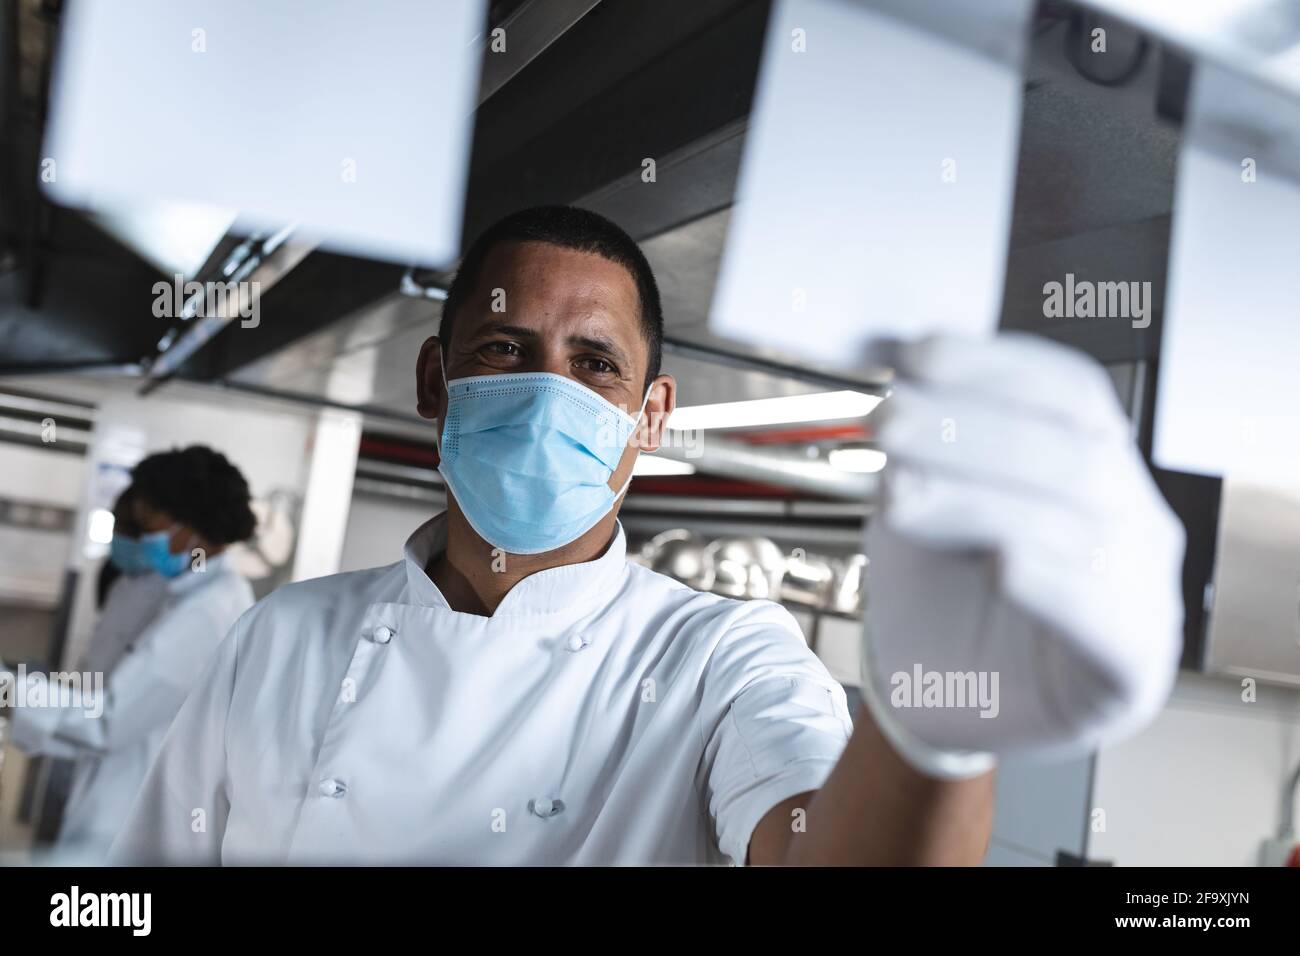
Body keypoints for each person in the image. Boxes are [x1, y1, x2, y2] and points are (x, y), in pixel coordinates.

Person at [110, 206, 1183, 866]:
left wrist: (937, 729)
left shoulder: (722, 659)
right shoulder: (280, 638)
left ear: (650, 414)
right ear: (436, 381)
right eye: (503, 347)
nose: (545, 391)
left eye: (594, 364)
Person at [5, 446, 257, 862]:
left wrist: (10, 690)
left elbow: (109, 720)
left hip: (135, 823)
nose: (142, 529)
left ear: (192, 524)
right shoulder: (179, 592)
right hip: (114, 800)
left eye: (150, 516)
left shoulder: (211, 611)